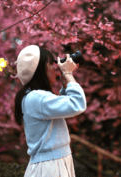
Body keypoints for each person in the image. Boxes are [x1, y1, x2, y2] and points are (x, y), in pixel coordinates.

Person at [14, 45, 87, 177]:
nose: (55, 67)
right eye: (51, 64)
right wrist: (68, 74)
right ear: (40, 70)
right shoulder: (36, 98)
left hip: (52, 164)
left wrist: (65, 81)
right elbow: (78, 103)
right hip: (50, 167)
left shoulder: (33, 96)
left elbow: (64, 107)